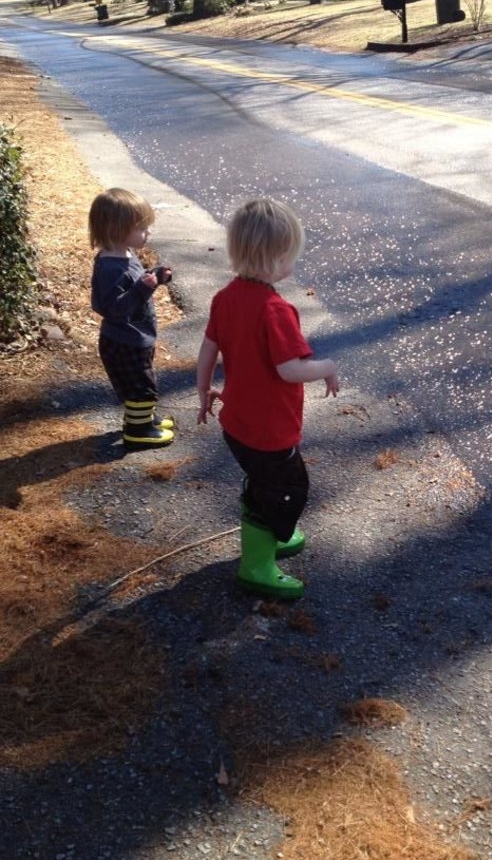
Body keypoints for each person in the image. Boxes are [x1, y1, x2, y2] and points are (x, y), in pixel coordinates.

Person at [196, 197, 339, 600]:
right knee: (289, 489)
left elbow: (208, 350)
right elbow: (290, 370)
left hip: (236, 424)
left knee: (264, 484)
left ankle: (271, 534)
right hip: (268, 431)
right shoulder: (276, 310)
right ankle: (256, 565)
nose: (292, 264)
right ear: (277, 259)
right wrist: (326, 366)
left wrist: (203, 391)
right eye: (291, 256)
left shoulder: (225, 298)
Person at [89, 187, 175, 450]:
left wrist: (154, 276)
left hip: (137, 335)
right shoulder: (109, 267)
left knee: (143, 379)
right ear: (117, 229)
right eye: (142, 229)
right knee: (140, 385)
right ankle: (138, 431)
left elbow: (134, 283)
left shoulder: (125, 253)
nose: (147, 234)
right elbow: (113, 308)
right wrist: (144, 287)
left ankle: (145, 418)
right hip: (124, 341)